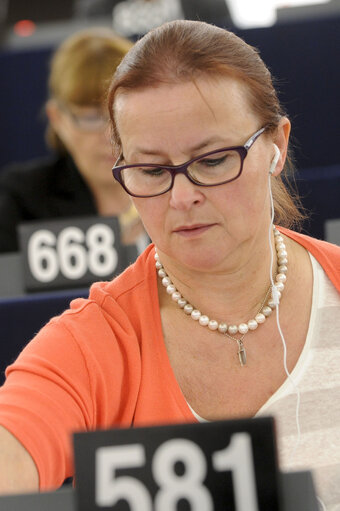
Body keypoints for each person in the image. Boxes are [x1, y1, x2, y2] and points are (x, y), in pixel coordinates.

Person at [0, 19, 339, 508]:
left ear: (276, 146)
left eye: (215, 160)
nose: (182, 197)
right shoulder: (92, 343)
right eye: (151, 171)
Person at [0, 27, 147, 255]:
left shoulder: (181, 184)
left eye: (119, 113)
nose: (110, 135)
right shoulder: (22, 201)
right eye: (91, 118)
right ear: (57, 119)